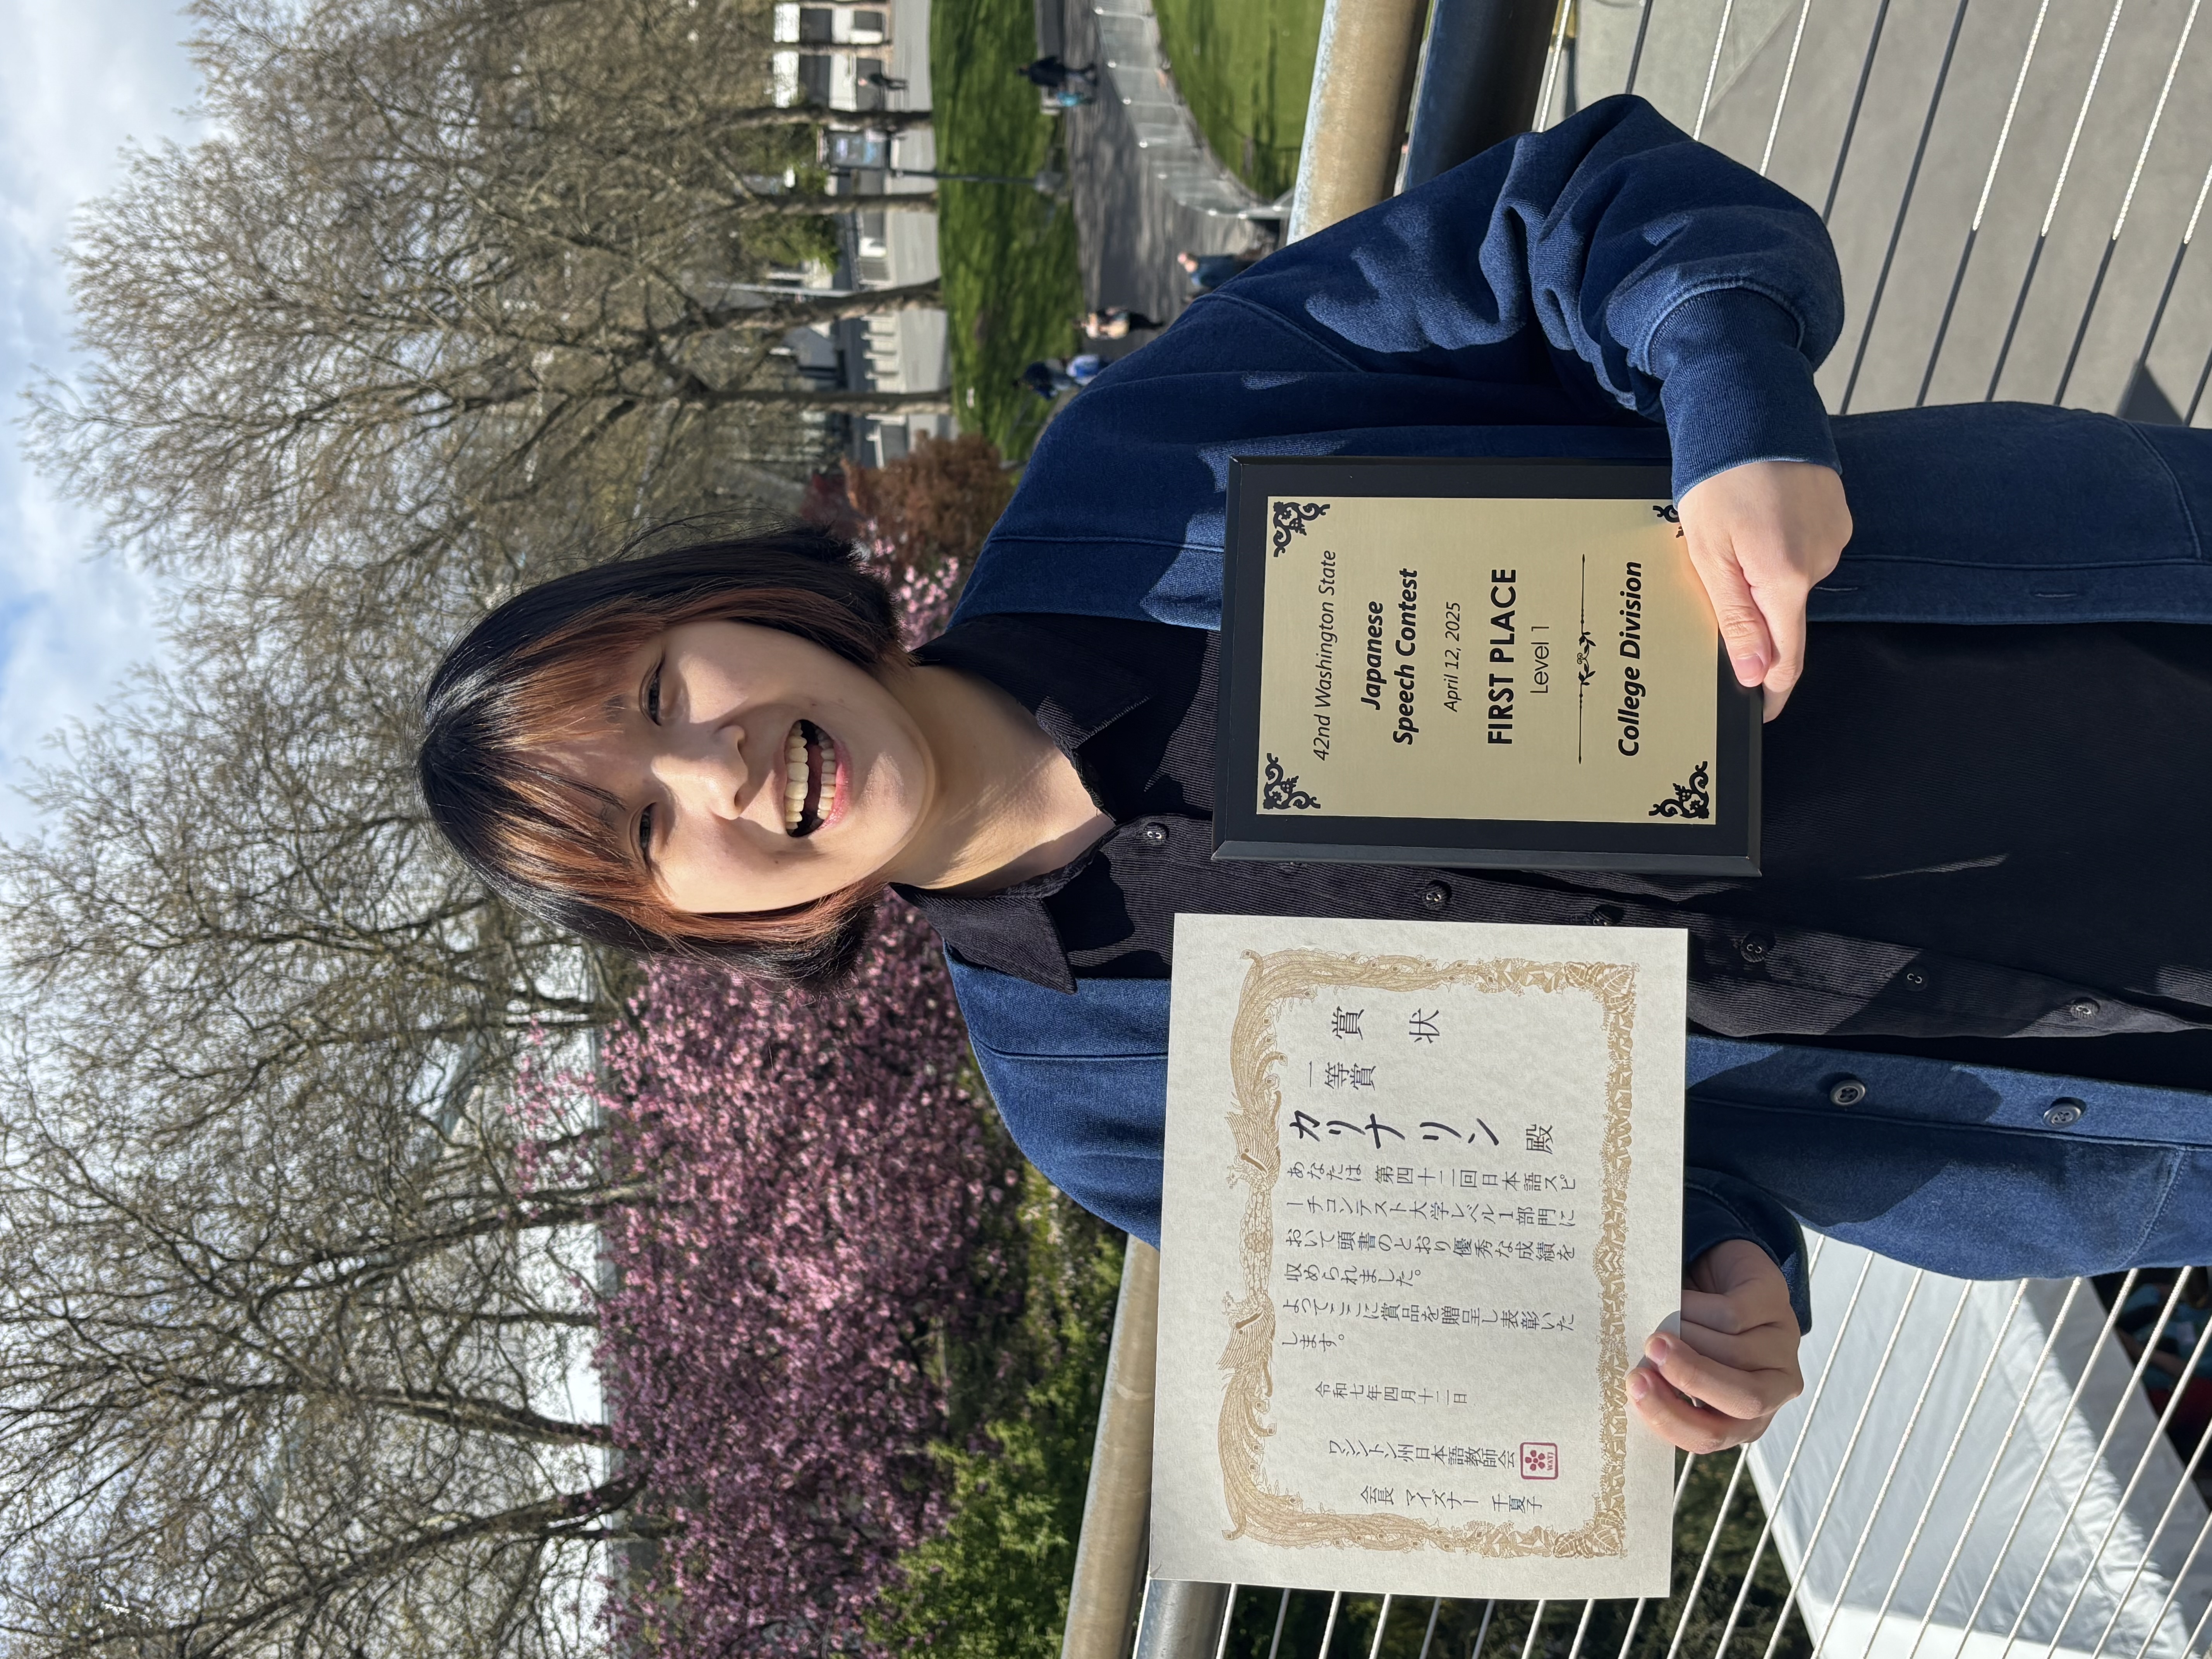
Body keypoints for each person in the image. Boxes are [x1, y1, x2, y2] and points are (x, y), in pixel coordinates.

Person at [417, 96, 2212, 1457]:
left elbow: (1576, 210)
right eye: (654, 829)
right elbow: (1581, 1213)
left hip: (2131, 640)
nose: (716, 767)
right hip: (2110, 1082)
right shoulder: (1100, 1100)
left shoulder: (1145, 458)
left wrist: (1721, 395)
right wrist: (1717, 1301)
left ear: (743, 606)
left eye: (666, 689)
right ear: (717, 924)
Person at [1177, 248, 1259, 294]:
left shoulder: (1201, 260)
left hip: (1237, 264)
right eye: (1190, 257)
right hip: (1236, 276)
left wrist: (1231, 257)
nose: (1193, 256)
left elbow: (1218, 259)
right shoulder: (1199, 278)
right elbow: (1217, 284)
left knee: (1259, 264)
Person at [1082, 307, 1162, 340]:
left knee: (1138, 320)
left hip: (1118, 321)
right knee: (1137, 323)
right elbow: (1103, 333)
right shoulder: (1092, 331)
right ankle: (1152, 326)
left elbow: (1107, 312)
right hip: (1118, 326)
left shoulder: (1093, 317)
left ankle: (1152, 326)